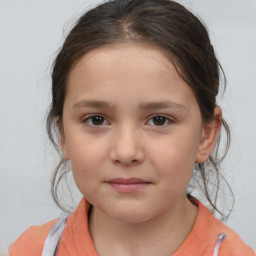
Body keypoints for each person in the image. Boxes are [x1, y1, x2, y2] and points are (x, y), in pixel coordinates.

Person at [9, 0, 255, 255]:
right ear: (63, 135)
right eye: (96, 119)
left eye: (159, 120)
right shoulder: (30, 250)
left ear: (206, 136)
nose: (126, 152)